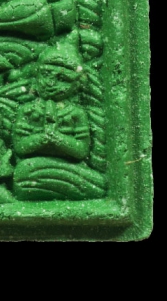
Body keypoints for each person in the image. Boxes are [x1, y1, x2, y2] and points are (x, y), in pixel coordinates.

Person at [12, 40, 106, 200]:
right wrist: (42, 139)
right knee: (24, 170)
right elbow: (20, 147)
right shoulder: (28, 110)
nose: (51, 83)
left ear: (77, 85)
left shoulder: (76, 113)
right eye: (46, 75)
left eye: (62, 78)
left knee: (97, 184)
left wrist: (58, 139)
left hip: (70, 166)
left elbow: (82, 150)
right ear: (36, 76)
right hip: (33, 166)